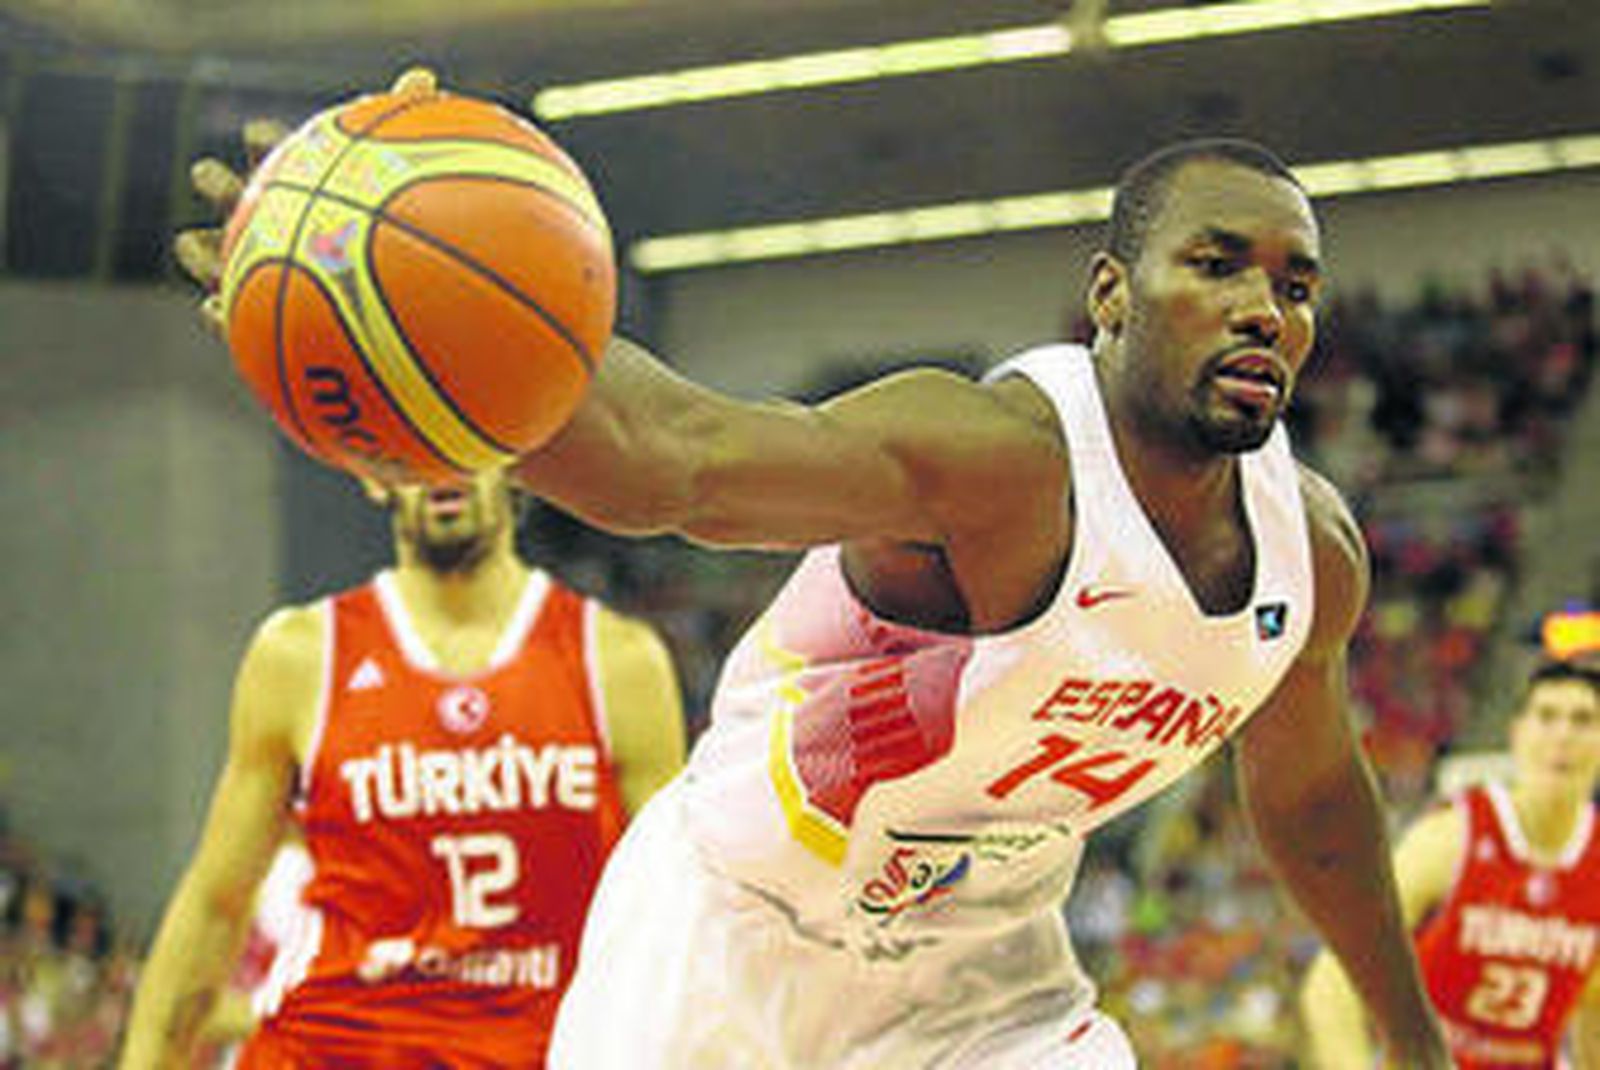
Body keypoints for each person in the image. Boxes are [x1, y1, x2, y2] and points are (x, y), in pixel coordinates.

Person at [176, 69, 1449, 1068]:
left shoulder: (1311, 556)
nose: (1262, 309)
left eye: (1295, 283)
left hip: (982, 981)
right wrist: (415, 303)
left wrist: (1409, 1035)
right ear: (1110, 294)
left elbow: (1315, 796)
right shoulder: (994, 456)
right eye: (1214, 263)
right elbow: (675, 460)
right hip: (728, 944)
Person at [118, 465, 687, 1068]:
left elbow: (678, 912)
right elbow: (216, 901)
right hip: (333, 1045)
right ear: (373, 477)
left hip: (538, 1047)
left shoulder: (619, 662)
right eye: (415, 445)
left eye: (466, 437)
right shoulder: (302, 655)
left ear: (515, 465)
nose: (444, 463)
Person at [1301, 655, 1600, 1068]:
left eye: (1583, 721)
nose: (1563, 735)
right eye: (1547, 717)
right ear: (1517, 734)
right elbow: (1330, 980)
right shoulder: (1451, 837)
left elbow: (1594, 1013)